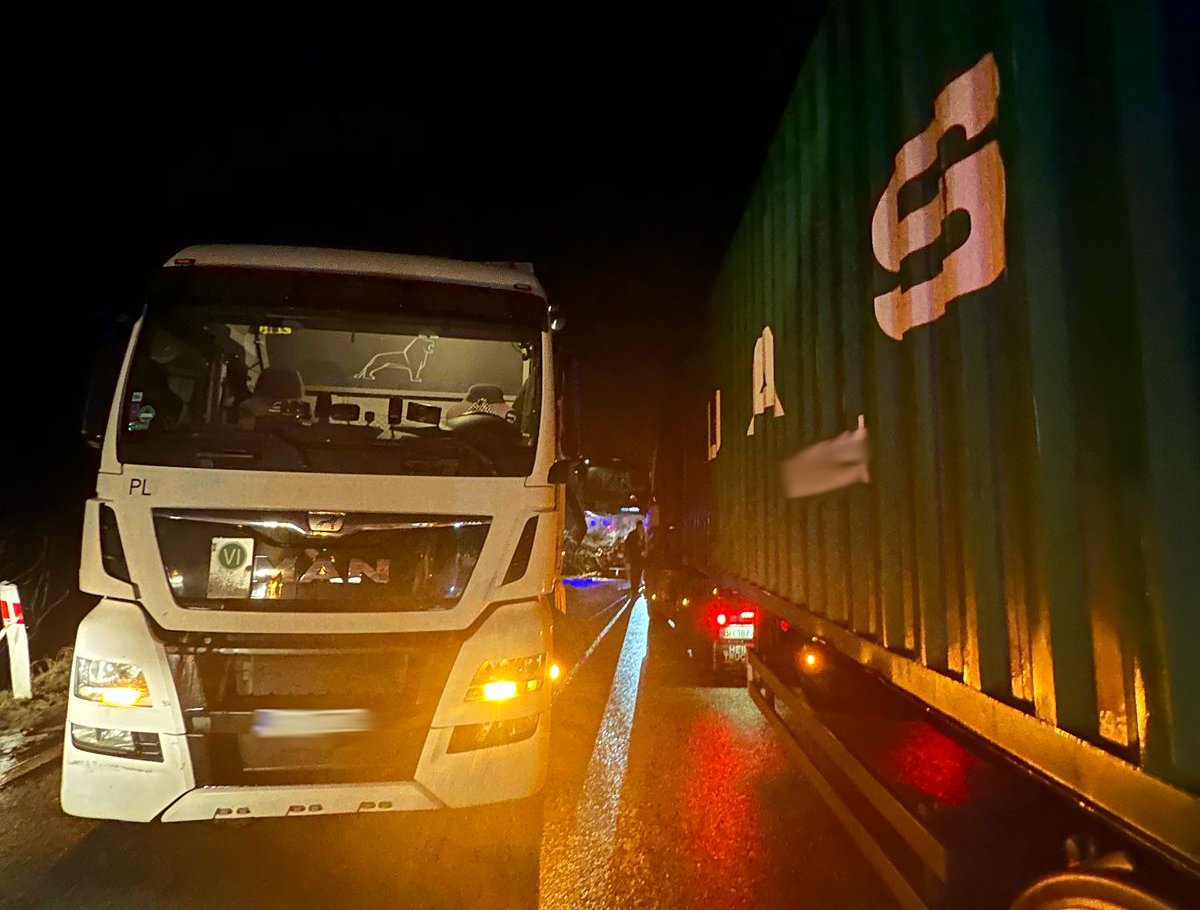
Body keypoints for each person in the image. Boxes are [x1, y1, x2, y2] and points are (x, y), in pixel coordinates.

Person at [624, 520, 646, 593]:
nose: (641, 528)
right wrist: (628, 557)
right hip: (634, 558)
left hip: (641, 559)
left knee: (638, 573)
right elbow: (628, 546)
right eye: (640, 527)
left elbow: (645, 544)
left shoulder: (644, 534)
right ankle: (634, 588)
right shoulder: (632, 535)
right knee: (634, 574)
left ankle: (635, 588)